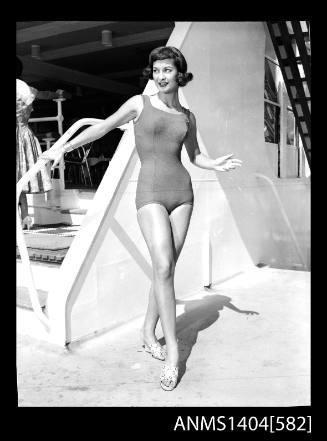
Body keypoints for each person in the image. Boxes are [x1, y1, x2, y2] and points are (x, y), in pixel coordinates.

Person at [42, 46, 242, 391]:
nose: (160, 76)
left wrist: (215, 164)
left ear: (180, 74)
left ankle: (147, 332)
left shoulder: (187, 116)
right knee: (162, 265)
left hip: (182, 194)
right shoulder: (139, 103)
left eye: (167, 70)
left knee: (167, 269)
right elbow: (103, 128)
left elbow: (194, 155)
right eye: (156, 70)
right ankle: (173, 355)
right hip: (149, 194)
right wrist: (64, 147)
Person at [16, 56, 69, 229]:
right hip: (24, 135)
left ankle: (24, 219)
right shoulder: (27, 89)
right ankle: (25, 218)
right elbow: (46, 95)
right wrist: (58, 94)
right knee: (21, 179)